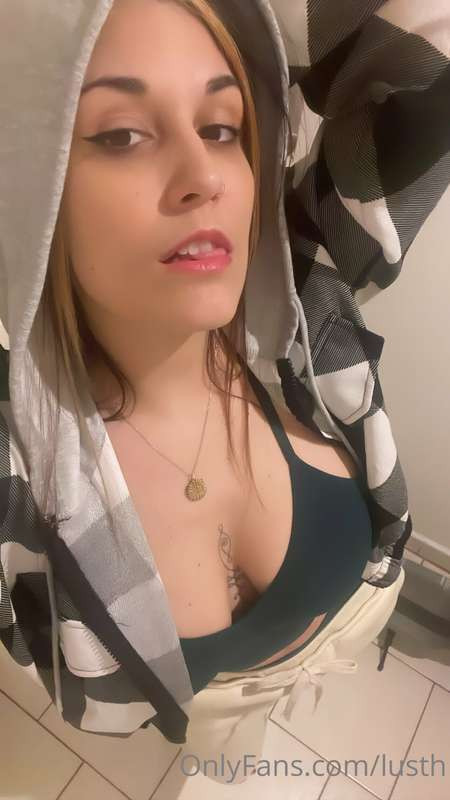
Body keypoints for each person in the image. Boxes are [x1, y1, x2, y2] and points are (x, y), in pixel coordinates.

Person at [0, 0, 448, 786]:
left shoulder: (312, 294)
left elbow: (429, 42)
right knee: (220, 757)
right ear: (28, 186)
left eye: (221, 127)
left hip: (322, 657)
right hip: (196, 713)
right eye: (122, 135)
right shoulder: (22, 473)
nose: (205, 176)